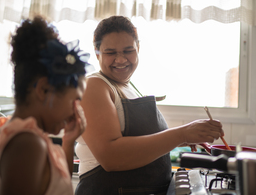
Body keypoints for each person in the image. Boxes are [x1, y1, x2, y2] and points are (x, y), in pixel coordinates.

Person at [75, 15, 224, 195]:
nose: (121, 59)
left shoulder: (129, 87)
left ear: (138, 48)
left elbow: (142, 144)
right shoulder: (93, 86)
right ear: (97, 51)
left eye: (128, 50)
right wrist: (181, 133)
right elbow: (111, 157)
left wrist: (187, 137)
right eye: (110, 52)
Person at [0, 15, 91, 195]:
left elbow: (53, 186)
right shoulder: (27, 144)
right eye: (74, 100)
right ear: (44, 89)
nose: (75, 110)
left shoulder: (21, 135)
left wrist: (69, 142)